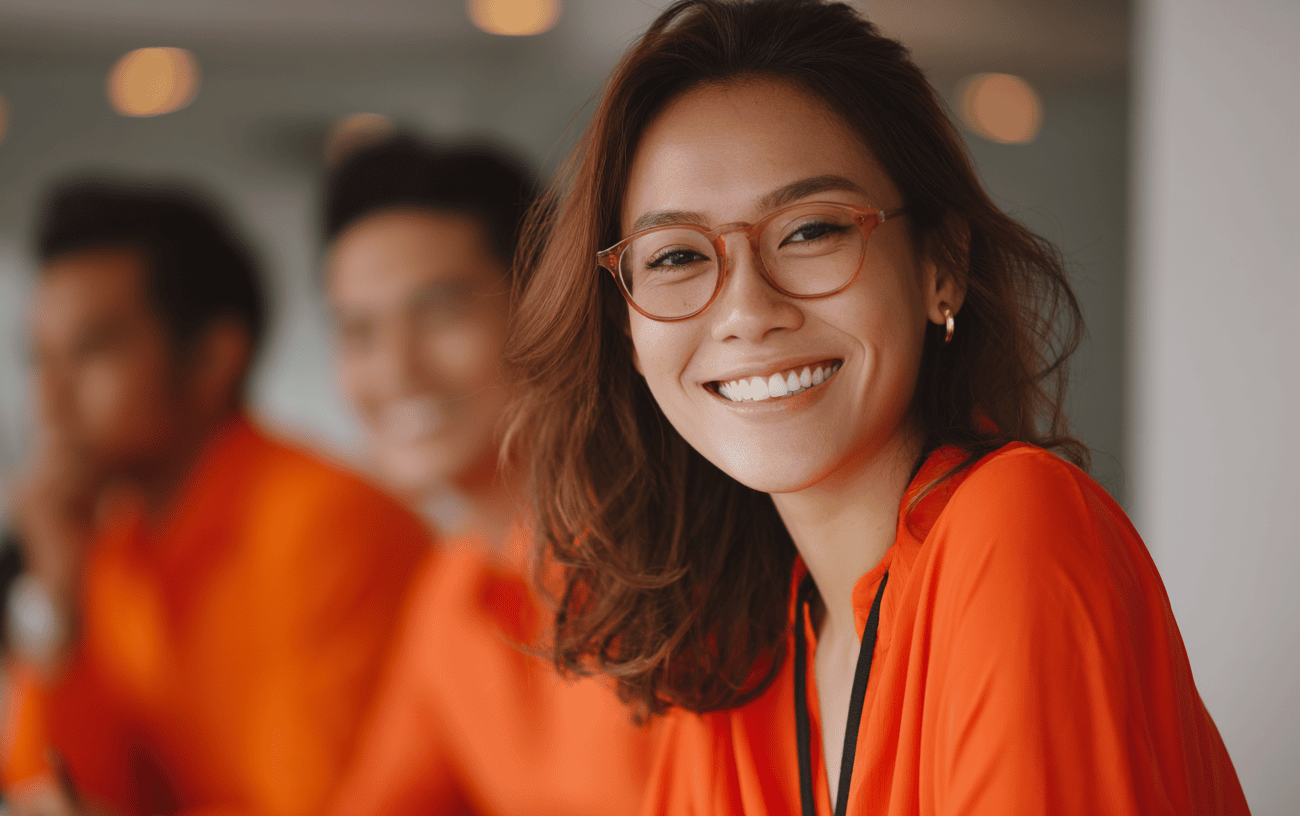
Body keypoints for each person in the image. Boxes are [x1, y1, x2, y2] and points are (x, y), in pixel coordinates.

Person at [503, 2, 1250, 814]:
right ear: (627, 324)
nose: (747, 310)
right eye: (677, 255)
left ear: (942, 265)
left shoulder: (1013, 527)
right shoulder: (736, 663)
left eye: (811, 231)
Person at [0, 178, 429, 816]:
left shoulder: (324, 522)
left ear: (213, 359)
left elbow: (321, 803)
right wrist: (50, 591)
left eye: (90, 351)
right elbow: (46, 793)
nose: (49, 400)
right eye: (39, 360)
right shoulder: (111, 545)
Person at [322, 135, 658, 815]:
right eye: (359, 333)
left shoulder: (666, 550)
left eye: (440, 313)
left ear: (546, 305)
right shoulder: (453, 585)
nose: (395, 370)